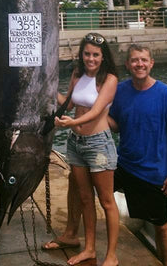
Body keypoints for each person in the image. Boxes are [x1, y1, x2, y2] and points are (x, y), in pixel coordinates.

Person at [108, 44, 167, 266]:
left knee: (161, 224)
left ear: (151, 63)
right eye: (134, 60)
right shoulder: (121, 91)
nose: (139, 64)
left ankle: (165, 263)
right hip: (123, 165)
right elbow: (115, 126)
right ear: (127, 64)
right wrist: (95, 112)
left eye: (143, 60)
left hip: (153, 173)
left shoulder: (166, 95)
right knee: (90, 186)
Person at [54, 32, 119, 266]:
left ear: (103, 57)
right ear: (81, 55)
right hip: (76, 143)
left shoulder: (109, 79)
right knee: (84, 198)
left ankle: (111, 255)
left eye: (96, 55)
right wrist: (49, 89)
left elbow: (96, 110)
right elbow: (69, 104)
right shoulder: (77, 74)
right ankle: (90, 249)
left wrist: (71, 122)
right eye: (87, 54)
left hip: (98, 144)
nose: (91, 59)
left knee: (106, 200)